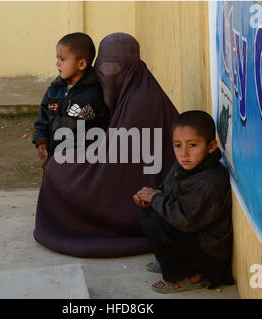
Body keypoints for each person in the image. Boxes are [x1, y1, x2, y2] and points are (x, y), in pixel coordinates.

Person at [33, 33, 178, 258]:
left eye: (114, 68)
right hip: (114, 161)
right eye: (102, 67)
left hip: (134, 184)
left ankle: (87, 224)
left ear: (131, 67)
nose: (106, 75)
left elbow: (119, 160)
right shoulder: (127, 89)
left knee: (58, 169)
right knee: (58, 164)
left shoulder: (143, 101)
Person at [134, 110, 234, 293]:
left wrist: (156, 198)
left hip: (210, 257)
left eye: (193, 145)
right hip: (193, 239)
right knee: (150, 212)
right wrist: (149, 199)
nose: (184, 153)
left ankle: (190, 277)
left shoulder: (208, 182)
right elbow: (167, 191)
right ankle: (169, 262)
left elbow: (185, 219)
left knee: (158, 221)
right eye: (178, 146)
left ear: (211, 146)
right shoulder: (185, 165)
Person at [32, 32, 110, 169]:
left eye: (62, 59)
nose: (57, 64)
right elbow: (43, 118)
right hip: (55, 159)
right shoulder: (54, 90)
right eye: (57, 58)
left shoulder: (96, 94)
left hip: (82, 164)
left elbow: (105, 125)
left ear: (81, 63)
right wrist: (41, 139)